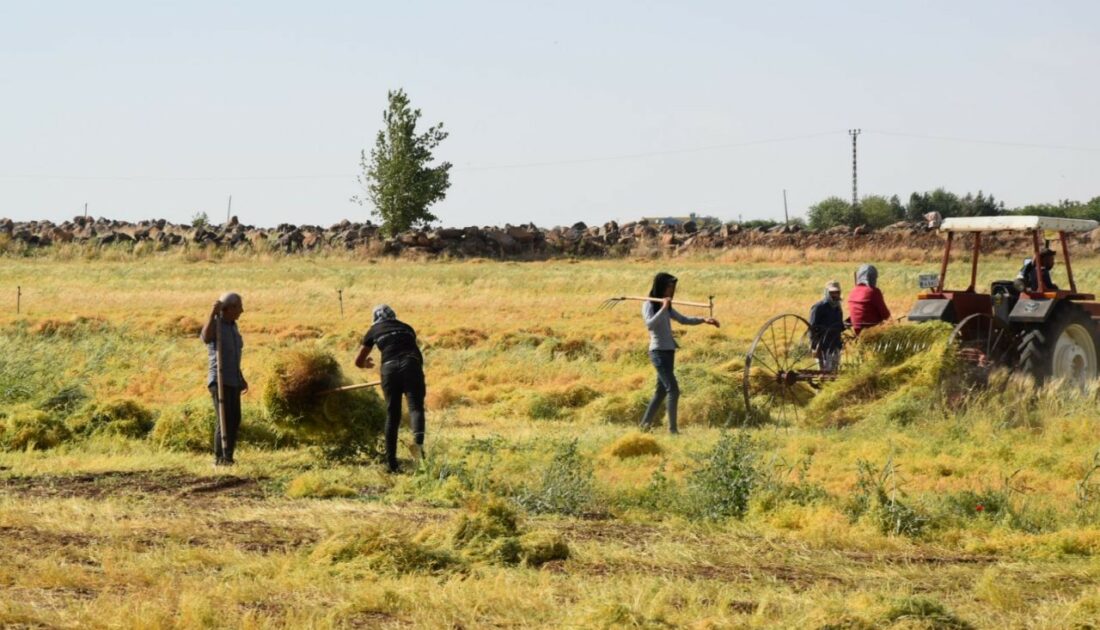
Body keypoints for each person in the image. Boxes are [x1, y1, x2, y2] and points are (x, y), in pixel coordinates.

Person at [638, 272, 720, 434]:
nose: (672, 290)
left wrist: (703, 320)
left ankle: (644, 426)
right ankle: (673, 430)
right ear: (661, 286)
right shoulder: (649, 304)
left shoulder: (666, 305)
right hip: (658, 352)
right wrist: (663, 308)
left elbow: (683, 319)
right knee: (673, 390)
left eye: (673, 287)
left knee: (661, 391)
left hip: (669, 351)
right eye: (669, 286)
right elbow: (650, 325)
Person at [355, 305, 426, 473]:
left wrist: (366, 364)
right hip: (412, 365)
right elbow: (409, 348)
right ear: (393, 316)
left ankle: (392, 463)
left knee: (393, 415)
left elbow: (358, 361)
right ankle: (418, 444)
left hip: (389, 369)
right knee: (416, 408)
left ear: (375, 318)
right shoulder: (406, 327)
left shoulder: (373, 330)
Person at [200, 292, 247, 466]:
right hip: (219, 380)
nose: (242, 310)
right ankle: (220, 459)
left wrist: (241, 377)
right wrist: (212, 313)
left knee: (235, 418)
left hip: (233, 379)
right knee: (224, 419)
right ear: (230, 308)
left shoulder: (233, 327)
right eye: (239, 307)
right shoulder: (217, 325)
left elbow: (234, 355)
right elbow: (205, 337)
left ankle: (229, 456)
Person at [809, 280, 844, 371]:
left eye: (837, 292)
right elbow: (812, 328)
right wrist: (814, 347)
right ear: (827, 293)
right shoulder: (818, 307)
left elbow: (839, 326)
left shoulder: (838, 307)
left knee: (834, 372)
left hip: (835, 344)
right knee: (824, 372)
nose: (835, 295)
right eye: (832, 292)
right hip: (823, 346)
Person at [848, 264, 891, 335]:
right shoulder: (873, 291)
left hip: (857, 330)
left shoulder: (853, 291)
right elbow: (886, 315)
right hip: (872, 330)